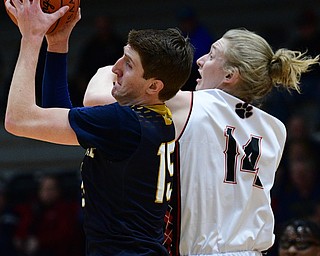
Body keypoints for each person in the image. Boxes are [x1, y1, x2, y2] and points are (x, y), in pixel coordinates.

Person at [80, 28, 319, 255]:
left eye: (212, 55)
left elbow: (95, 101)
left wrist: (112, 68)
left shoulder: (191, 105)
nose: (200, 60)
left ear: (230, 75)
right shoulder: (276, 129)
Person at [4, 1, 194, 256]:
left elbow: (19, 120)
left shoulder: (124, 123)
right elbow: (58, 115)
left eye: (128, 64)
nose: (115, 68)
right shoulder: (155, 120)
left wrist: (31, 37)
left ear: (153, 86)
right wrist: (57, 44)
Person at [14, 174, 83, 256]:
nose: (47, 192)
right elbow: (23, 228)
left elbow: (65, 234)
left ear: (58, 190)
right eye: (43, 189)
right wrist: (21, 238)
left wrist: (40, 241)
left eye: (50, 189)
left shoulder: (66, 209)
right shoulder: (32, 207)